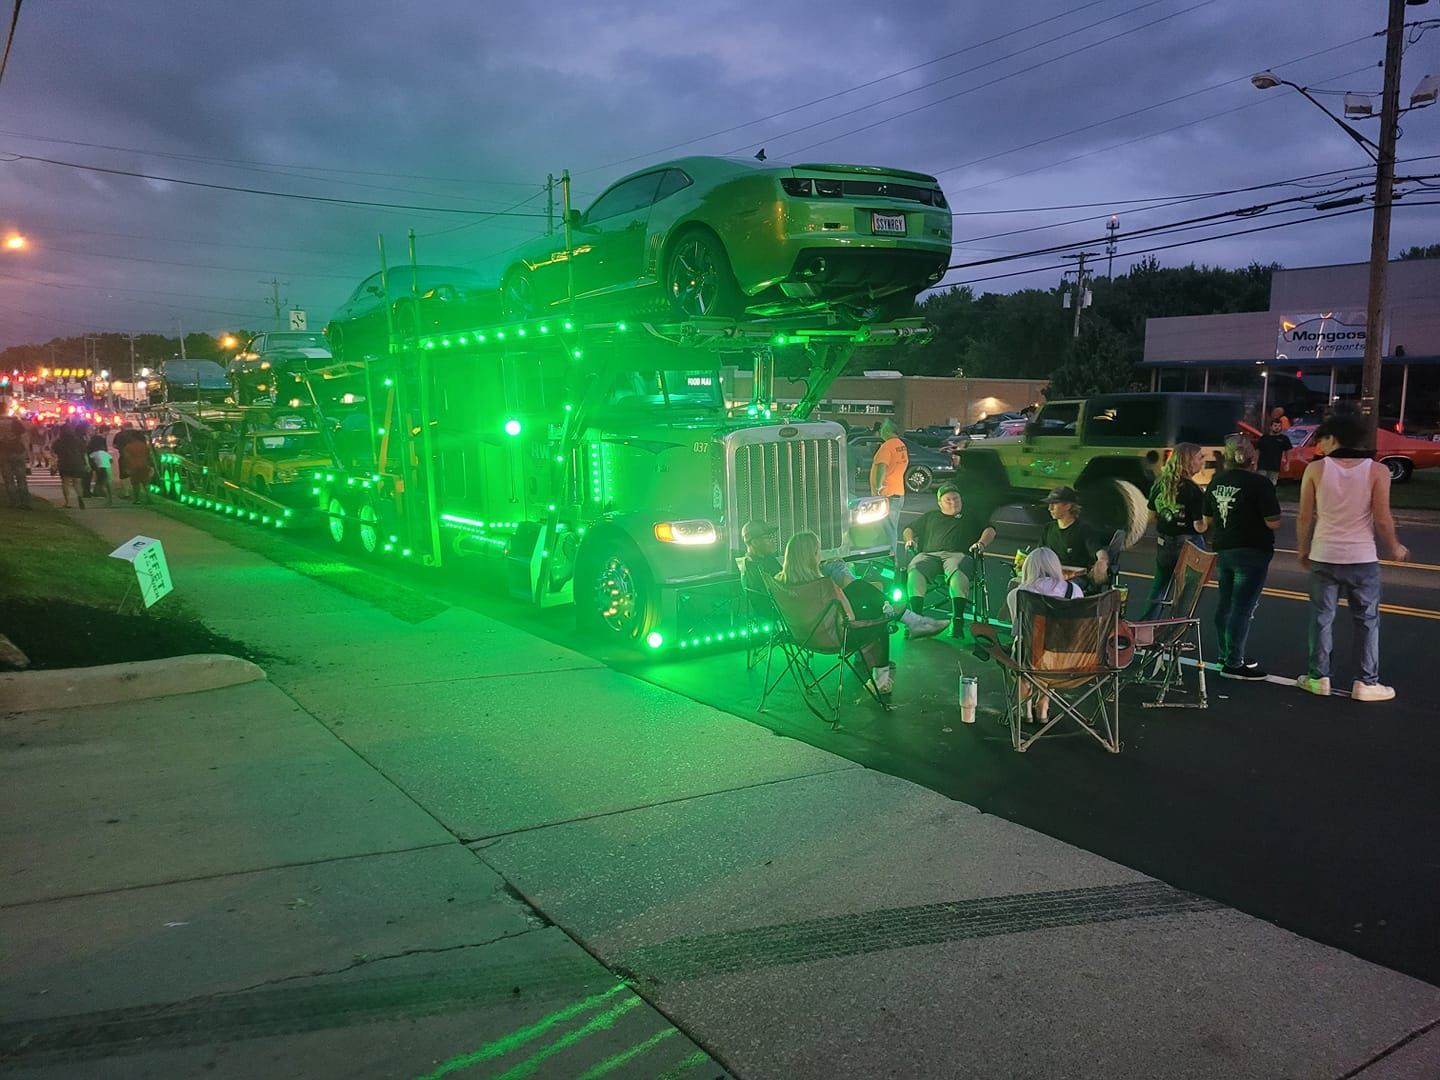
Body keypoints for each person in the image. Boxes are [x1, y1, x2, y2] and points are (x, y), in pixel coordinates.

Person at [1295, 414, 1410, 702]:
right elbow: (1382, 518)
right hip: (1362, 557)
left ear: (1334, 438)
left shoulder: (1316, 470)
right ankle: (1366, 682)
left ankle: (1318, 677)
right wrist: (1394, 547)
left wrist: (1302, 549)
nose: (1319, 445)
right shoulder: (1377, 471)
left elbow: (1304, 516)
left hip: (1324, 554)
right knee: (1367, 620)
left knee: (1322, 619)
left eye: (1321, 439)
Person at [741, 520, 946, 637]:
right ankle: (902, 616)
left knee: (841, 570)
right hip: (807, 615)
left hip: (802, 605)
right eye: (767, 537)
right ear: (753, 542)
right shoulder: (755, 569)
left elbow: (786, 582)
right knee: (864, 598)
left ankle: (898, 613)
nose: (772, 540)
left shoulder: (763, 560)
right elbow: (779, 594)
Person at [775, 530, 897, 696]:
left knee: (860, 589)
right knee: (879, 616)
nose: (820, 555)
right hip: (838, 637)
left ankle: (892, 609)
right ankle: (881, 680)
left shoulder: (779, 582)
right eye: (818, 551)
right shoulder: (824, 585)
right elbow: (850, 618)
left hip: (802, 637)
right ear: (813, 555)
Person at [1203, 435, 1281, 679]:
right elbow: (1273, 522)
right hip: (1253, 550)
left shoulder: (1216, 482)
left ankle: (1225, 653)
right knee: (1242, 608)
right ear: (1252, 458)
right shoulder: (1260, 484)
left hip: (1225, 548)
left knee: (1226, 604)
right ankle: (1234, 663)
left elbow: (1208, 520)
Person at [902, 483, 996, 633]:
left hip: (957, 555)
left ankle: (957, 619)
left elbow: (990, 530)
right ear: (940, 503)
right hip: (929, 555)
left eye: (956, 499)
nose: (953, 502)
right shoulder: (931, 516)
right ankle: (917, 619)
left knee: (957, 570)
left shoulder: (971, 515)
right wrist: (909, 539)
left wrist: (981, 543)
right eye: (948, 500)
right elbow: (909, 529)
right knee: (915, 569)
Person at [1143, 443, 1208, 618]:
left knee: (1160, 587)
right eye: (1200, 457)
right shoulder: (1194, 490)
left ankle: (1148, 626)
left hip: (1164, 542)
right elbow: (1198, 526)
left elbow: (1151, 517)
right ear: (1188, 461)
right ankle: (1175, 627)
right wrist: (1210, 521)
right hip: (1188, 545)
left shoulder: (1159, 484)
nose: (1203, 461)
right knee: (1186, 593)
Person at [1040, 486, 1110, 591]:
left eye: (1054, 504)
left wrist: (1102, 561)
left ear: (1068, 506)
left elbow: (1099, 551)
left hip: (1075, 579)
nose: (1050, 508)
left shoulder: (1084, 530)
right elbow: (1039, 553)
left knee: (1060, 590)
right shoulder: (1048, 528)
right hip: (1051, 576)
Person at [1005, 546, 1083, 625]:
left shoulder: (1016, 594)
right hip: (1063, 636)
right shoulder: (1074, 590)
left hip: (1031, 637)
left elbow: (1017, 628)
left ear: (1027, 567)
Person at [869, 419, 908, 560]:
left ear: (886, 431)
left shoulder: (887, 447)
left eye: (882, 430)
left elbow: (882, 466)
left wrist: (878, 486)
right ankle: (890, 557)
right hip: (897, 492)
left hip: (887, 494)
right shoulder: (901, 445)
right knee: (891, 527)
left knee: (887, 529)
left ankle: (890, 559)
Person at [53, 423, 89, 509]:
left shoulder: (59, 441)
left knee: (65, 483)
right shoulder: (78, 440)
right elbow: (84, 453)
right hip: (78, 463)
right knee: (77, 483)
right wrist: (87, 464)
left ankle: (67, 502)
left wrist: (54, 464)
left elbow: (54, 453)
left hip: (65, 464)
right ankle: (80, 497)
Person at [115, 425, 152, 504]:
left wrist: (127, 468)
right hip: (144, 466)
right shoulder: (144, 446)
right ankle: (149, 498)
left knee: (136, 484)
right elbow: (149, 456)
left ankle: (137, 499)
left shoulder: (128, 447)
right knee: (145, 483)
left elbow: (126, 458)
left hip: (134, 467)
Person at [0, 416, 30, 509]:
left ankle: (14, 502)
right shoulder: (15, 422)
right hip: (18, 452)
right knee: (21, 480)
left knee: (9, 481)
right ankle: (25, 503)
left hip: (3, 453)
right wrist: (26, 451)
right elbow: (25, 437)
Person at [1256, 420, 1291, 485]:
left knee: (1272, 484)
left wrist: (1287, 463)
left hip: (1275, 467)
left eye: (1279, 426)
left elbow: (1288, 451)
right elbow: (1258, 451)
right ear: (1270, 427)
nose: (1277, 427)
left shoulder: (1284, 439)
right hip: (1262, 466)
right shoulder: (1264, 438)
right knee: (1260, 483)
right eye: (1275, 426)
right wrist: (1255, 463)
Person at [87, 433, 114, 508]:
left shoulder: (94, 453)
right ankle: (109, 496)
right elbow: (111, 460)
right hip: (108, 467)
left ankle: (100, 493)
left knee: (100, 481)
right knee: (108, 482)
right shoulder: (105, 453)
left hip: (100, 468)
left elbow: (90, 458)